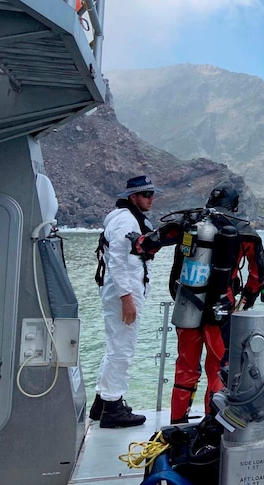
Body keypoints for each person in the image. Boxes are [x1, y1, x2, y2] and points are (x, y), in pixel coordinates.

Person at [129, 183, 264, 424]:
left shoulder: (187, 224)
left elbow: (148, 243)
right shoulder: (243, 231)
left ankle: (177, 421)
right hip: (220, 311)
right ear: (234, 204)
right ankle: (211, 423)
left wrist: (137, 241)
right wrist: (245, 300)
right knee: (219, 368)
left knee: (185, 367)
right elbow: (258, 275)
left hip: (187, 307)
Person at [90, 175, 159, 428]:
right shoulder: (126, 220)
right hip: (124, 292)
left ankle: (102, 401)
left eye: (152, 194)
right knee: (123, 349)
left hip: (123, 290)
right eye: (146, 195)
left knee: (115, 346)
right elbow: (117, 261)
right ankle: (113, 408)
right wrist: (127, 299)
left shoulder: (122, 216)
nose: (151, 199)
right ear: (133, 197)